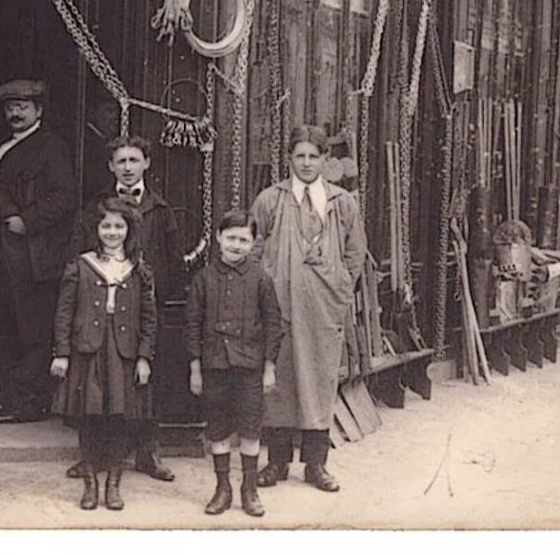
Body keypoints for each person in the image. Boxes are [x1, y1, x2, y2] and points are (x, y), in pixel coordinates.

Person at [250, 124, 364, 492]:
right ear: (288, 159)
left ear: (325, 160)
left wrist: (339, 286)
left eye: (314, 156)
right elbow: (253, 245)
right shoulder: (270, 200)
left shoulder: (342, 203)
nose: (306, 163)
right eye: (299, 155)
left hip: (323, 308)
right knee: (278, 380)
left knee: (319, 378)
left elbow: (355, 253)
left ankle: (316, 465)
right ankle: (276, 463)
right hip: (279, 305)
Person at [0, 78, 78, 423]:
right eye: (10, 107)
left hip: (32, 254)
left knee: (31, 327)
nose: (15, 113)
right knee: (3, 323)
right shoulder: (3, 147)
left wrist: (25, 221)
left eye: (22, 107)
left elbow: (64, 197)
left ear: (38, 111)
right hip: (1, 253)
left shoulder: (50, 147)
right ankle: (7, 398)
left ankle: (29, 403)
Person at [66, 134, 176, 482]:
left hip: (142, 308)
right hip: (102, 310)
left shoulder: (160, 209)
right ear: (111, 166)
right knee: (98, 384)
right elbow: (81, 254)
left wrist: (153, 295)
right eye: (121, 162)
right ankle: (94, 456)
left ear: (146, 163)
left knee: (143, 382)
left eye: (134, 160)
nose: (128, 168)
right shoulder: (96, 208)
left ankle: (147, 452)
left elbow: (172, 260)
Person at [51, 196, 158, 510]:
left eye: (119, 226)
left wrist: (144, 357)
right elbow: (64, 313)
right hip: (89, 351)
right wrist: (62, 353)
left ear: (129, 229)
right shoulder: (81, 265)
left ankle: (113, 485)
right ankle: (90, 485)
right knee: (89, 417)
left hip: (123, 353)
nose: (112, 232)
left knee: (120, 420)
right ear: (96, 229)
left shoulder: (138, 269)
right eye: (106, 226)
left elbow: (149, 318)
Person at [187, 210, 283, 517]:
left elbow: (273, 325)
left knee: (250, 429)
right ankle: (222, 488)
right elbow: (192, 326)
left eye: (244, 239)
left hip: (250, 367)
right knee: (218, 428)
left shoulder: (261, 280)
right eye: (231, 238)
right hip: (214, 365)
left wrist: (269, 367)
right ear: (218, 237)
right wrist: (195, 368)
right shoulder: (203, 279)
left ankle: (249, 488)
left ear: (254, 243)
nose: (237, 245)